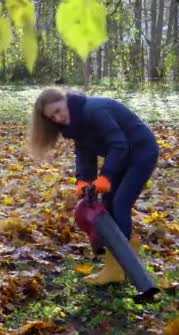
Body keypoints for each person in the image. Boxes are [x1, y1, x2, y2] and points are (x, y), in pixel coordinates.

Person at [30, 88, 159, 285]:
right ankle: (115, 265)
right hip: (122, 156)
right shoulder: (75, 124)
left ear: (65, 100)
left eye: (58, 110)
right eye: (52, 117)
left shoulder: (94, 110)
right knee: (107, 204)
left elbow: (119, 144)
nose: (58, 118)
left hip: (142, 151)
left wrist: (106, 176)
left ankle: (120, 265)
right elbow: (84, 152)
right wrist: (84, 180)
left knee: (121, 203)